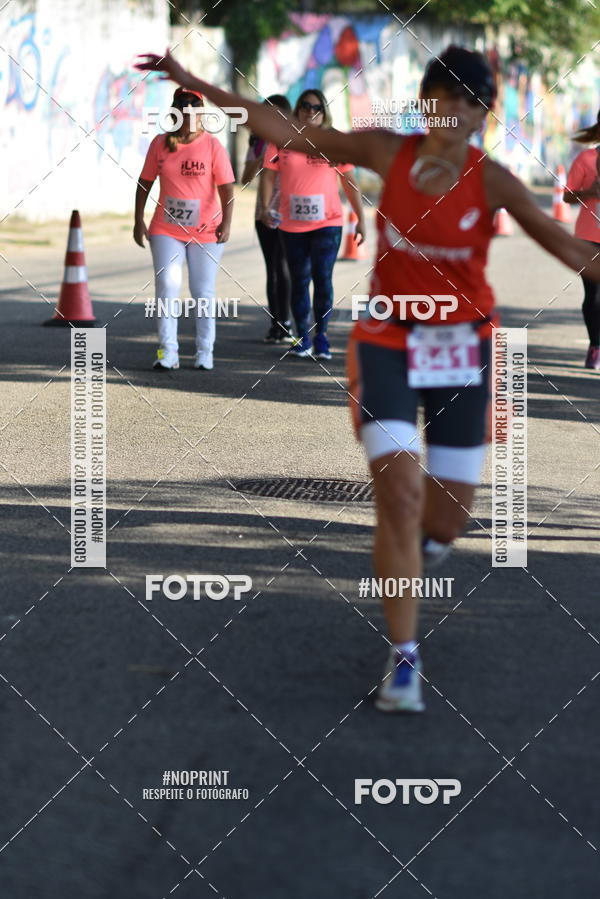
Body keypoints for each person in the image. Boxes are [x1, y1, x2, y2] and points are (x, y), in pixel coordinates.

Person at [136, 46, 600, 712]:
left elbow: (572, 250)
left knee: (447, 516)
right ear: (426, 99)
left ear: (482, 114)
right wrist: (193, 84)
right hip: (386, 342)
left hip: (463, 349)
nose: (460, 113)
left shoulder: (491, 179)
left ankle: (431, 544)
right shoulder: (389, 152)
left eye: (475, 103)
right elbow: (281, 129)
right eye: (449, 97)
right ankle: (404, 658)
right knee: (401, 497)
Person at [259, 89, 366, 360]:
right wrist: (264, 208)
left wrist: (361, 219)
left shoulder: (332, 141)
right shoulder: (281, 140)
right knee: (299, 281)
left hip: (328, 224)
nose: (310, 111)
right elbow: (268, 177)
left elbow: (349, 181)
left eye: (316, 107)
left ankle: (322, 337)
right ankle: (302, 337)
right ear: (298, 109)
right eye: (305, 106)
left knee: (322, 279)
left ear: (324, 111)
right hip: (292, 225)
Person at [134, 87, 235, 370]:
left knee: (202, 291)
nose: (189, 110)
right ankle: (168, 351)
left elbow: (227, 189)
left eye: (195, 105)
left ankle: (205, 351)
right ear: (175, 110)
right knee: (168, 285)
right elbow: (145, 183)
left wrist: (226, 223)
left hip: (207, 231)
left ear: (203, 111)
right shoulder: (160, 144)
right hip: (166, 228)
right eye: (183, 105)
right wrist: (137, 219)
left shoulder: (213, 146)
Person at [242, 94, 294, 344]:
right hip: (263, 214)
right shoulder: (257, 143)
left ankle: (286, 321)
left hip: (291, 215)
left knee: (284, 268)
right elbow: (244, 178)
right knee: (272, 269)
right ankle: (275, 322)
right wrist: (260, 159)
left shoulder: (296, 141)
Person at [564, 112, 600, 370]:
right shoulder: (586, 159)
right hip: (590, 237)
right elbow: (567, 197)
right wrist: (590, 192)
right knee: (595, 296)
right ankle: (595, 346)